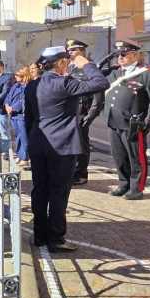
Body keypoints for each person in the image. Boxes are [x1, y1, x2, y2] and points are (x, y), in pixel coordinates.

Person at [25, 46, 108, 252]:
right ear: (61, 63)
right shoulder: (64, 83)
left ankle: (39, 235)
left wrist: (31, 143)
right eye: (66, 62)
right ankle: (56, 238)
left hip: (38, 143)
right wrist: (86, 64)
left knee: (40, 190)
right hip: (62, 146)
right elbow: (101, 82)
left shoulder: (32, 85)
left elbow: (29, 120)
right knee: (58, 193)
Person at [100, 41, 150, 200]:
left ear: (135, 55)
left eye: (124, 54)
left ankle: (136, 188)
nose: (120, 58)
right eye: (118, 55)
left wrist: (148, 122)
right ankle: (123, 184)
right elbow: (96, 74)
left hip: (133, 123)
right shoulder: (115, 73)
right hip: (114, 121)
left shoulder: (147, 74)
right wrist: (106, 58)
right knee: (119, 156)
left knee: (136, 157)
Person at [65, 39, 105, 186]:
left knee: (81, 145)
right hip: (69, 111)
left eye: (73, 50)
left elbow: (98, 96)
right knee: (70, 144)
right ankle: (71, 171)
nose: (70, 53)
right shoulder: (69, 68)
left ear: (82, 51)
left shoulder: (90, 68)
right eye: (69, 50)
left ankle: (81, 173)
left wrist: (90, 116)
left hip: (82, 111)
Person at [6, 67, 30, 168]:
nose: (15, 77)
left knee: (23, 137)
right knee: (17, 136)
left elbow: (23, 101)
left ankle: (25, 158)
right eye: (15, 75)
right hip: (13, 116)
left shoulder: (27, 86)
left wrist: (13, 108)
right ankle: (20, 155)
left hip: (20, 115)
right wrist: (7, 105)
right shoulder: (15, 86)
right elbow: (8, 96)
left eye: (18, 75)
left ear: (24, 76)